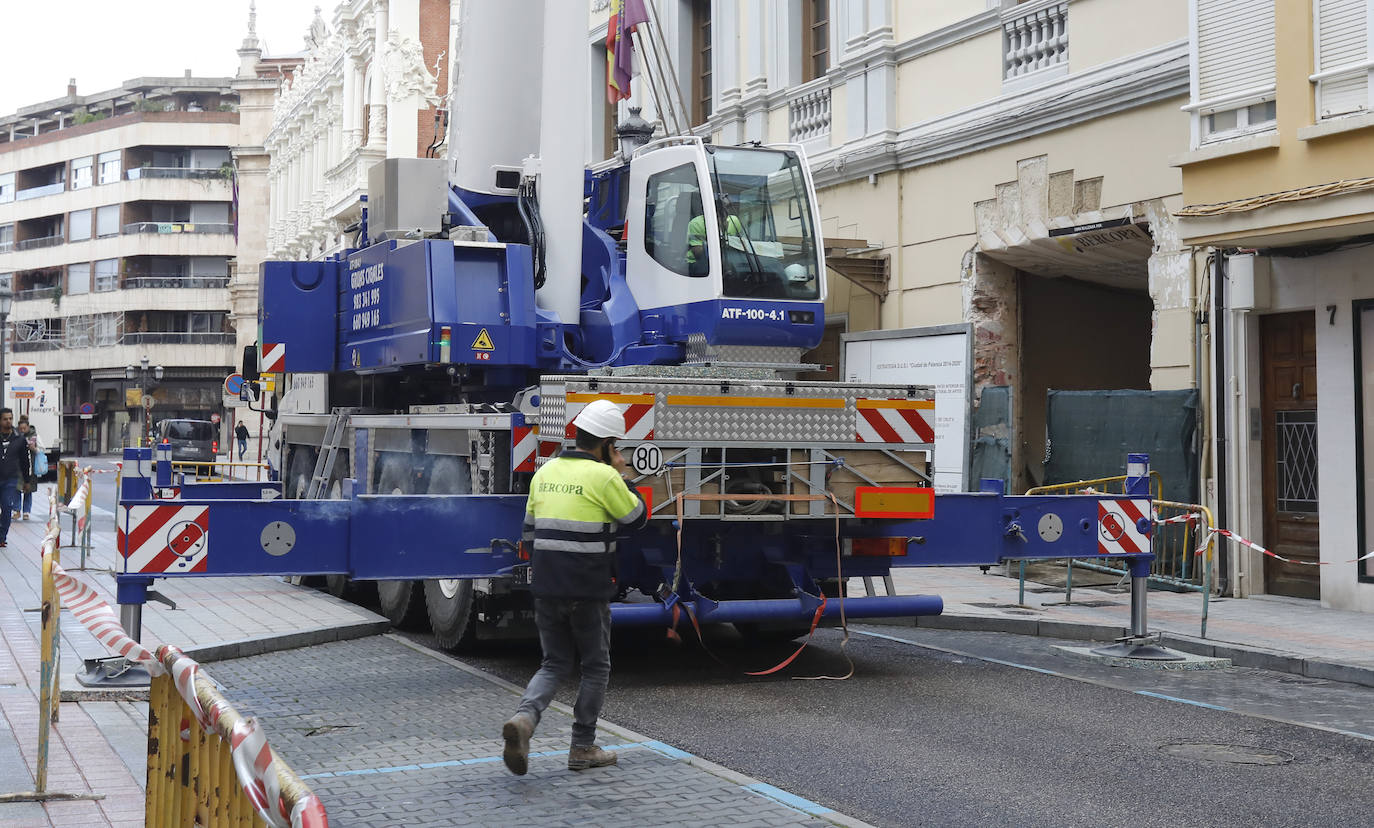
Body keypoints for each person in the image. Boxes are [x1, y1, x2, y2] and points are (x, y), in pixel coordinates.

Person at [502, 399, 648, 775]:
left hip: (547, 585)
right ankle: (582, 747)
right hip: (587, 588)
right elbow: (635, 519)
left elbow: (529, 532)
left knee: (553, 663)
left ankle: (524, 720)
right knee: (596, 667)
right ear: (606, 444)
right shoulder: (604, 477)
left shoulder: (544, 473)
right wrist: (623, 474)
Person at [0, 409, 34, 546]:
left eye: (10, 418)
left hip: (10, 478)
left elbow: (25, 461)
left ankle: (2, 537)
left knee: (7, 506)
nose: (8, 421)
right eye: (5, 419)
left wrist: (27, 481)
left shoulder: (19, 438)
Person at [15, 418, 39, 520]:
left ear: (28, 427)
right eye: (20, 428)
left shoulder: (34, 436)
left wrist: (33, 448)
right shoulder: (15, 436)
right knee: (17, 488)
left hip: (31, 466)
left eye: (24, 428)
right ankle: (17, 510)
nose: (22, 430)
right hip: (18, 466)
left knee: (28, 489)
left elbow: (41, 450)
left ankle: (26, 512)